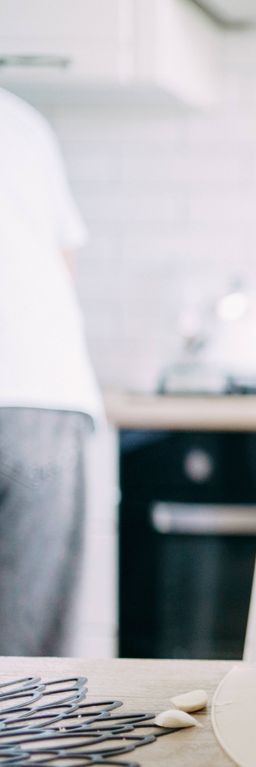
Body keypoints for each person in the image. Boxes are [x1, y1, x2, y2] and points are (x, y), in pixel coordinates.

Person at [0, 87, 102, 656]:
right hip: (40, 393)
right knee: (25, 654)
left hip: (38, 390)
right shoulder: (20, 120)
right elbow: (62, 265)